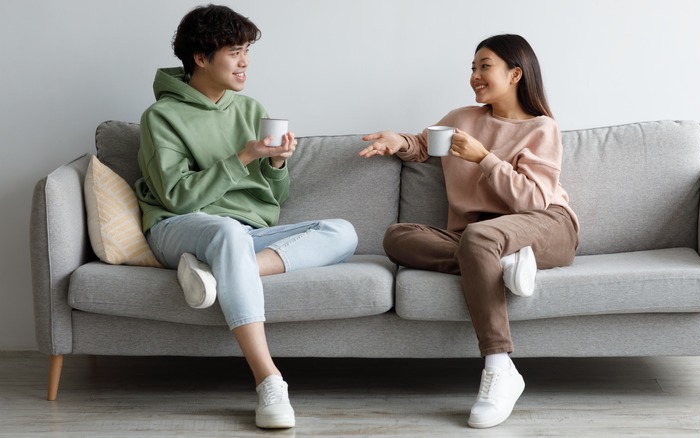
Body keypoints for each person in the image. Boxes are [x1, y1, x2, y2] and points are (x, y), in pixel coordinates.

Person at [134, 4, 358, 429]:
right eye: (235, 52)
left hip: (244, 234)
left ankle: (223, 273)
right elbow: (177, 197)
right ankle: (268, 379)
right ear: (201, 58)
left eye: (247, 51)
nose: (245, 62)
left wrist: (275, 166)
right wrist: (243, 156)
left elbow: (274, 201)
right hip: (179, 228)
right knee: (224, 232)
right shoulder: (160, 117)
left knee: (342, 232)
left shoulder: (250, 109)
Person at [359, 34, 579, 428]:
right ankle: (500, 262)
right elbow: (423, 145)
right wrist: (398, 141)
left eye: (485, 66)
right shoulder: (462, 118)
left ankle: (499, 367)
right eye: (473, 68)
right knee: (397, 237)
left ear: (515, 74)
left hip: (547, 225)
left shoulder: (542, 128)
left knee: (481, 239)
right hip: (483, 236)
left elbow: (532, 201)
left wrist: (485, 158)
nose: (475, 76)